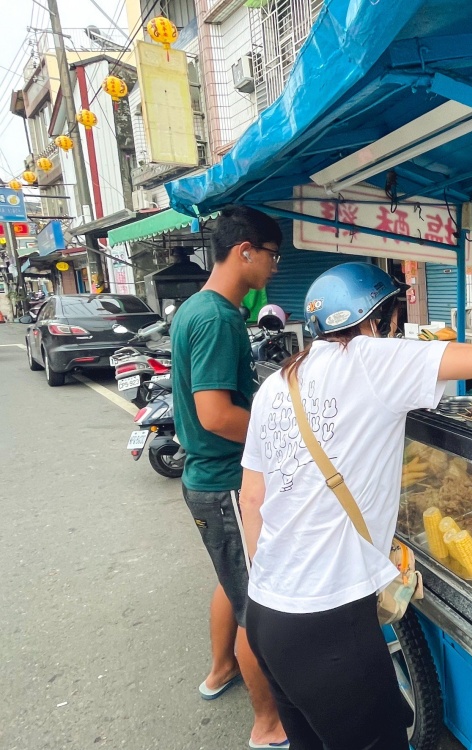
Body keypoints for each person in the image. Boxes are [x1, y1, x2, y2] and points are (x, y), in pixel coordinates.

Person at [238, 262, 472, 750]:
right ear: (381, 317)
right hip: (326, 622)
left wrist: (284, 581)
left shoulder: (277, 383)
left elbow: (252, 499)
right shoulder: (372, 357)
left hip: (267, 611)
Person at [171, 206, 287, 748]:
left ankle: (220, 672)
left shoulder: (196, 307)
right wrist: (282, 440)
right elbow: (216, 413)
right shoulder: (218, 318)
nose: (275, 268)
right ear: (245, 250)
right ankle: (268, 726)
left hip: (204, 480)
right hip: (224, 483)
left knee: (231, 581)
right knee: (254, 610)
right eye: (272, 255)